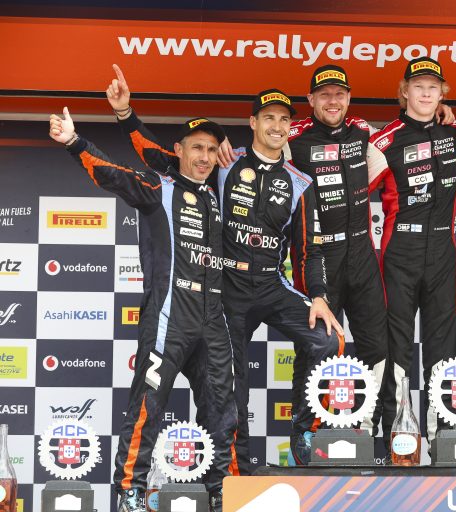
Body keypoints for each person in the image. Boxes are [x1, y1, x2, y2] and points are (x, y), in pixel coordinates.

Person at [105, 65, 343, 470]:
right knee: (232, 386)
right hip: (227, 290)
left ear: (290, 126)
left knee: (327, 339)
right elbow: (159, 156)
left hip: (272, 284)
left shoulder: (300, 183)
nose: (276, 126)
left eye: (283, 119)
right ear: (253, 123)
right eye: (268, 118)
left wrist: (318, 296)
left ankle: (306, 432)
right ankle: (239, 470)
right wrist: (126, 115)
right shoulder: (223, 162)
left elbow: (310, 250)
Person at [216, 65, 455, 441]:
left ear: (348, 98)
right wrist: (226, 150)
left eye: (339, 94)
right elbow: (265, 152)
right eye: (324, 94)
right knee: (317, 345)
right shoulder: (295, 137)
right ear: (311, 99)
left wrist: (439, 112)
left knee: (379, 347)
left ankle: (382, 436)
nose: (333, 101)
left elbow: (400, 146)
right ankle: (308, 435)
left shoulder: (363, 132)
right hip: (317, 255)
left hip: (361, 252)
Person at [49, 108, 236, 511]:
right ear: (178, 151)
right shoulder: (158, 186)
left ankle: (222, 490)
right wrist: (75, 142)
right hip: (169, 317)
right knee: (148, 407)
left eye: (211, 149)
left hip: (212, 319)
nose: (205, 157)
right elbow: (113, 174)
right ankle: (130, 491)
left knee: (222, 408)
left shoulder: (217, 193)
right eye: (196, 148)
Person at [367, 57, 456, 445]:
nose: (425, 93)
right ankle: (398, 440)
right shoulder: (383, 141)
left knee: (443, 348)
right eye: (418, 86)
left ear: (442, 94)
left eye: (433, 87)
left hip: (443, 250)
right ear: (404, 91)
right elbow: (354, 195)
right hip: (400, 251)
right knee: (397, 347)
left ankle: (443, 440)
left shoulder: (453, 131)